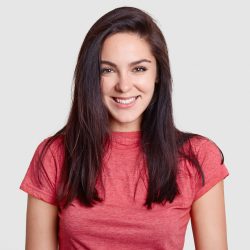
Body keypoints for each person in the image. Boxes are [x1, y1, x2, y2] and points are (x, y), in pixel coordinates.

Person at [20, 6, 229, 250]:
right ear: (91, 77)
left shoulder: (198, 156)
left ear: (158, 74)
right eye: (107, 70)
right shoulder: (53, 155)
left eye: (138, 69)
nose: (124, 85)